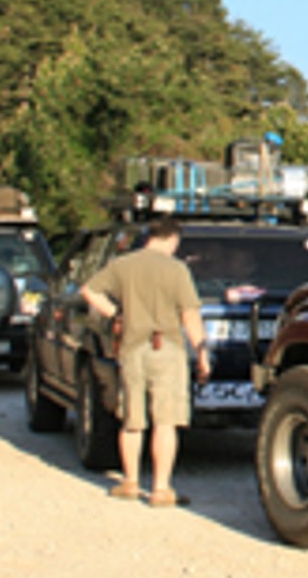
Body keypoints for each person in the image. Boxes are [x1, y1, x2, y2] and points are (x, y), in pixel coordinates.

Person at [80, 217, 210, 507]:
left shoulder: (124, 265)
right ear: (172, 239)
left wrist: (115, 314)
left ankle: (130, 482)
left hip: (131, 348)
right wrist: (201, 353)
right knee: (166, 420)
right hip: (167, 348)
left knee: (132, 419)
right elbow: (190, 314)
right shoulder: (177, 269)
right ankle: (161, 489)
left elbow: (89, 290)